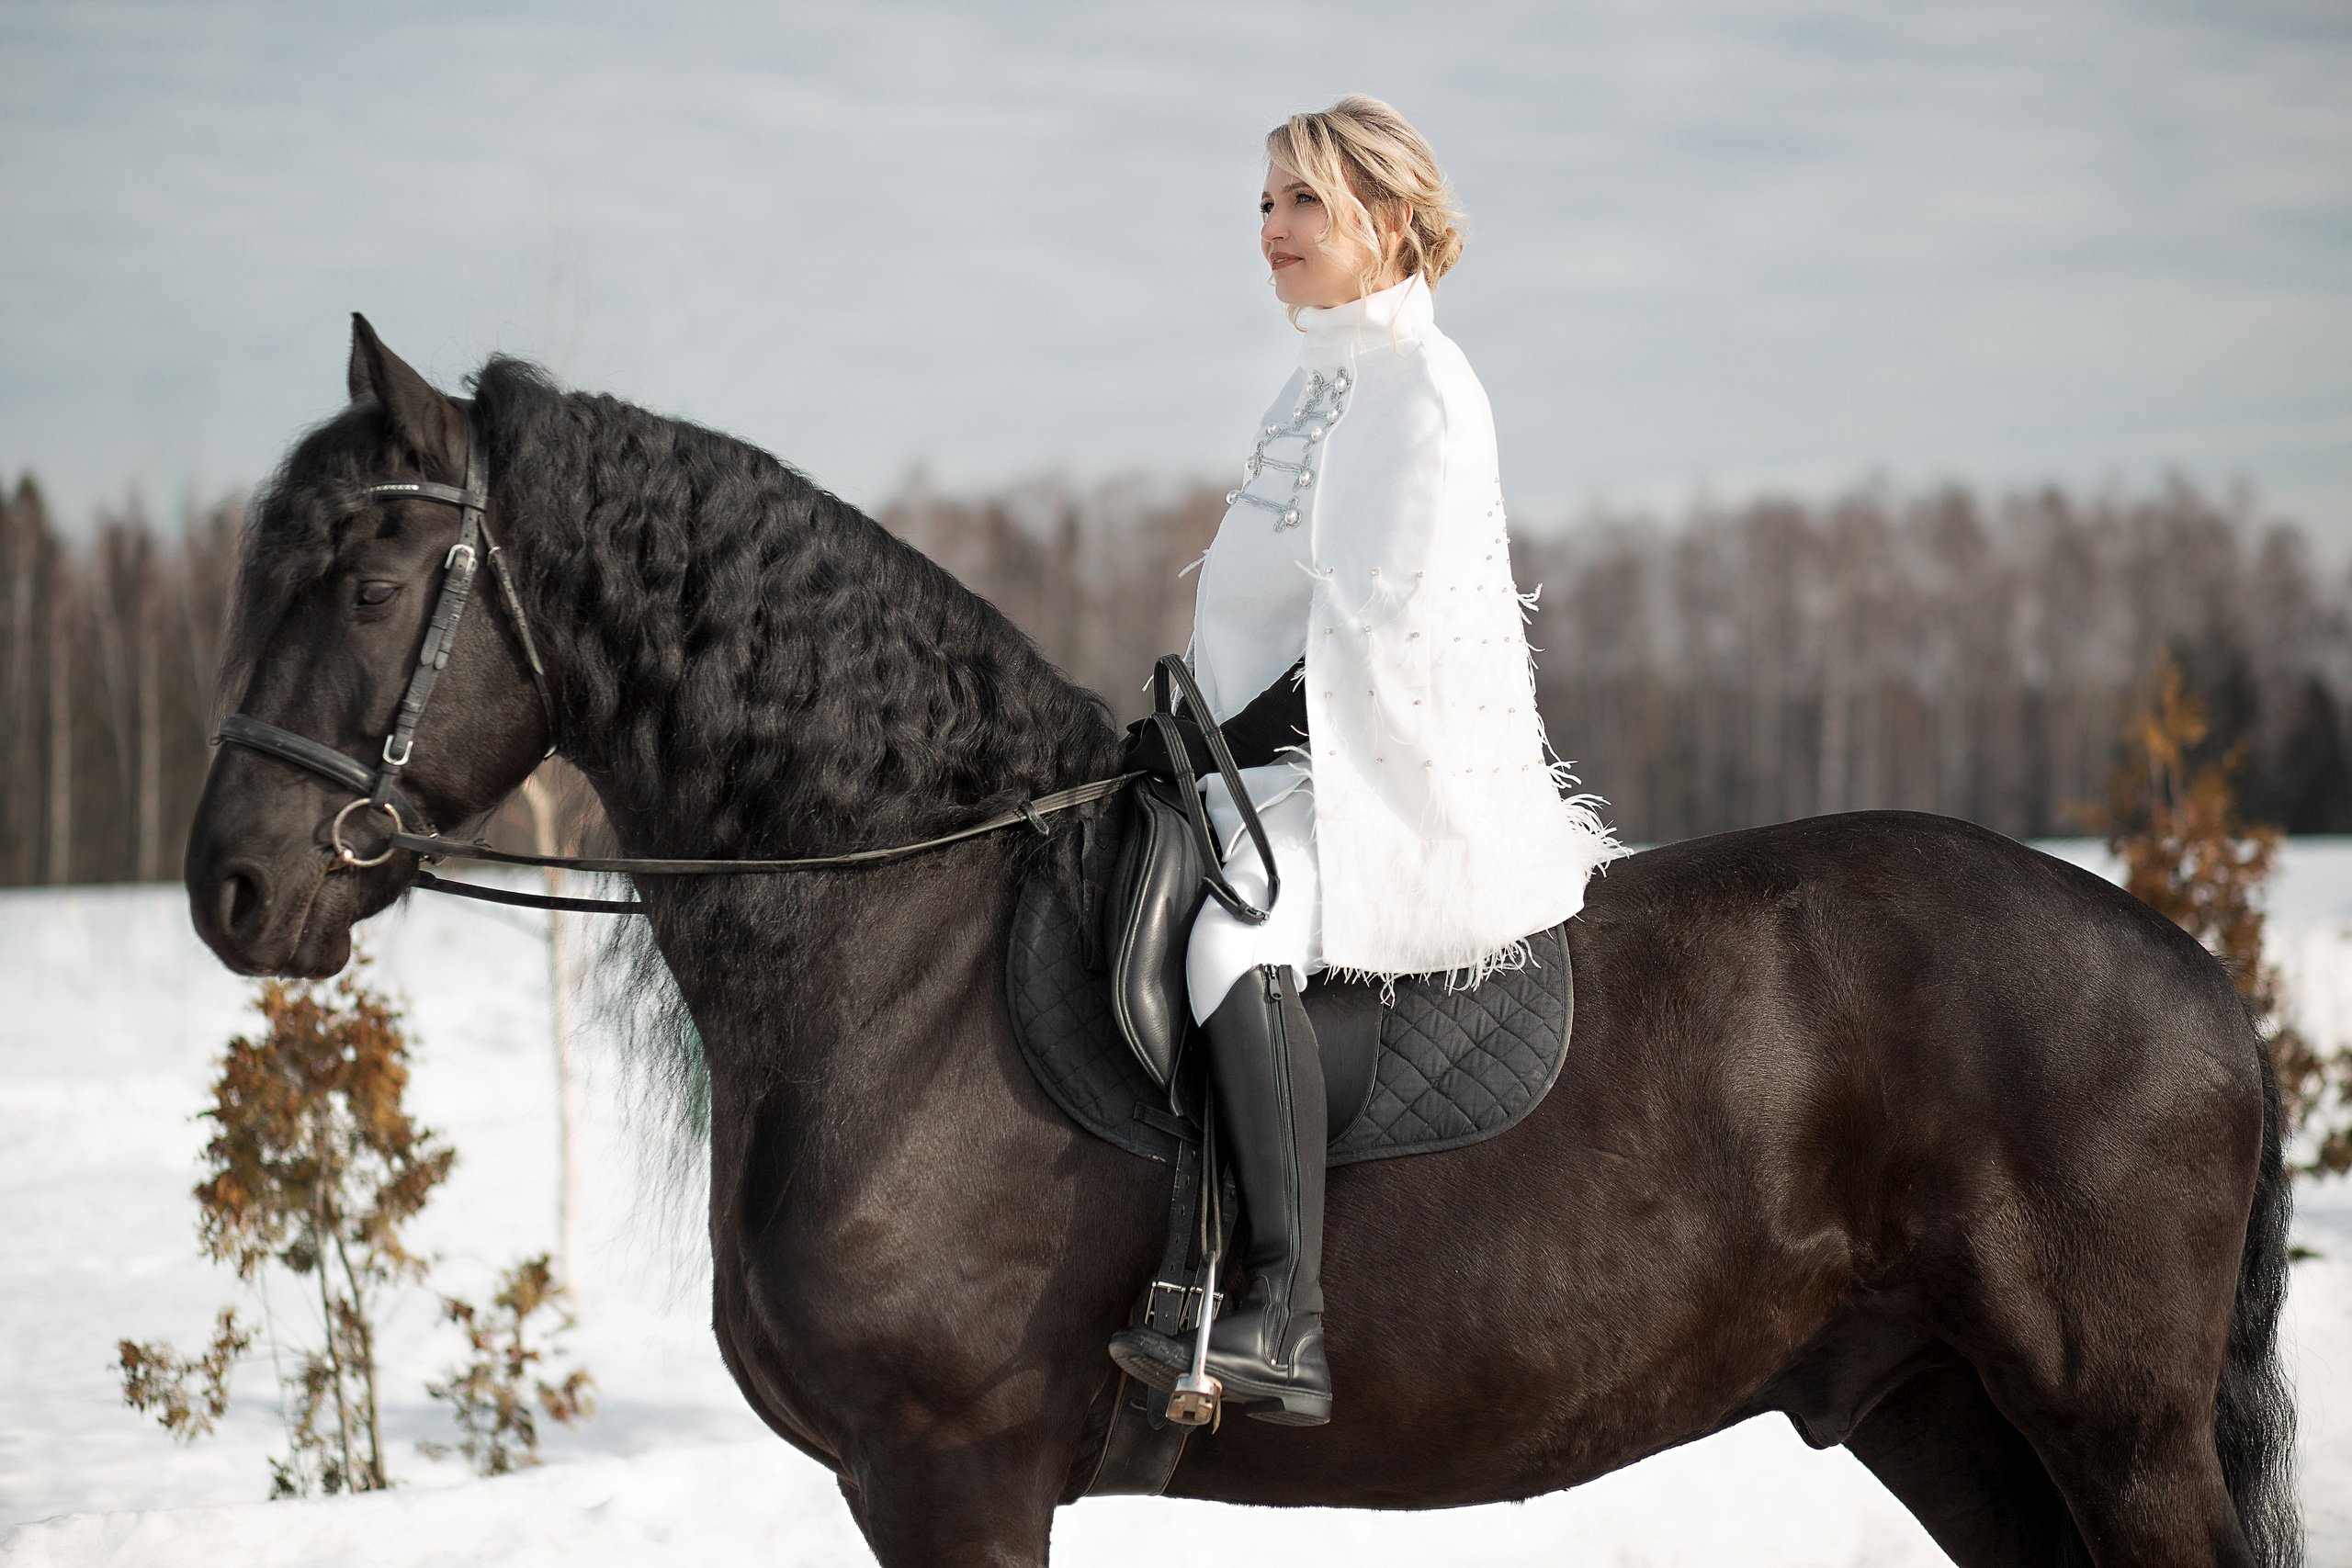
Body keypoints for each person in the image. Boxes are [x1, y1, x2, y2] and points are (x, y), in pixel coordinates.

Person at [1107, 96, 1618, 1427]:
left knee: (1231, 938)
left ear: (1387, 225)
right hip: (1276, 758)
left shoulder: (1428, 393)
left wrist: (1216, 745)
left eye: (1302, 204)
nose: (1270, 230)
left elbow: (1381, 641)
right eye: (1264, 204)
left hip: (1392, 780)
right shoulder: (1320, 378)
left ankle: (1281, 1308)